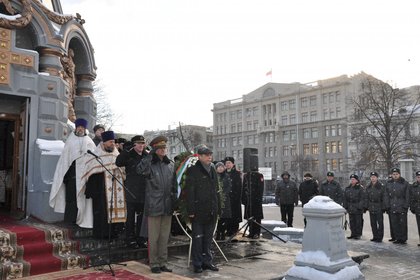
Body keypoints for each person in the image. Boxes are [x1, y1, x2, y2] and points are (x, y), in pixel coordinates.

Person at [136, 135, 176, 274]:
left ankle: (162, 262)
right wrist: (148, 156)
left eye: (164, 147)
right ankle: (154, 263)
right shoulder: (149, 164)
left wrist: (174, 202)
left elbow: (174, 186)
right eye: (160, 148)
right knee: (154, 237)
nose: (163, 150)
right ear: (154, 150)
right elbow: (140, 170)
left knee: (164, 237)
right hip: (154, 205)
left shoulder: (170, 164)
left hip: (167, 206)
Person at [49, 118, 96, 226]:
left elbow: (92, 158)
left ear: (85, 129)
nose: (80, 129)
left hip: (84, 176)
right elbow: (65, 159)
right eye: (78, 127)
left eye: (82, 127)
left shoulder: (89, 141)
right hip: (71, 175)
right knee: (71, 198)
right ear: (76, 128)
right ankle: (70, 220)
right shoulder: (70, 140)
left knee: (82, 198)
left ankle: (81, 220)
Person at [81, 131, 126, 238]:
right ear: (104, 142)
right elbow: (89, 172)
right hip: (100, 191)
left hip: (116, 190)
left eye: (113, 142)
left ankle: (114, 234)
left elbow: (124, 172)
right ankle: (101, 235)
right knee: (101, 213)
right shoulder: (95, 155)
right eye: (110, 142)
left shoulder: (117, 155)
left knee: (115, 211)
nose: (113, 144)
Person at [185, 146, 219, 273]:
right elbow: (190, 192)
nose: (209, 156)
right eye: (206, 154)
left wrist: (217, 208)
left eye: (210, 154)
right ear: (199, 156)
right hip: (198, 210)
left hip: (211, 210)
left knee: (208, 239)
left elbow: (216, 191)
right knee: (198, 239)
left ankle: (207, 262)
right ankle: (197, 263)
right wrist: (191, 211)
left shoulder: (212, 170)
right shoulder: (193, 170)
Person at [116, 135, 148, 248]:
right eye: (139, 143)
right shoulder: (129, 155)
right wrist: (126, 150)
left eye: (142, 143)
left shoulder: (146, 155)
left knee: (141, 217)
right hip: (131, 190)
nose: (141, 145)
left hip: (143, 190)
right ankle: (130, 239)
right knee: (130, 217)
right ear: (134, 145)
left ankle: (140, 238)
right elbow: (118, 162)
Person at [385, 167, 410, 244]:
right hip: (392, 206)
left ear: (399, 174)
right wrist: (387, 205)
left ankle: (403, 238)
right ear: (391, 175)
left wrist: (406, 205)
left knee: (402, 223)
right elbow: (386, 195)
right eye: (393, 174)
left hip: (401, 206)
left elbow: (407, 195)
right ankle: (397, 238)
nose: (395, 175)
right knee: (394, 223)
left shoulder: (405, 183)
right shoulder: (388, 183)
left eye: (396, 174)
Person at [364, 172, 388, 242]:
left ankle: (380, 237)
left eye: (374, 177)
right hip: (371, 207)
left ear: (377, 178)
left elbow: (384, 197)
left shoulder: (381, 186)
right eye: (371, 177)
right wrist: (366, 207)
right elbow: (366, 197)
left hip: (379, 206)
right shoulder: (368, 186)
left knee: (380, 223)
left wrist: (384, 207)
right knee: (373, 223)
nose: (373, 178)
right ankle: (375, 236)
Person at [242, 169, 264, 238]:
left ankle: (256, 233)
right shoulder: (246, 176)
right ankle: (251, 232)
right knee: (249, 217)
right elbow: (243, 188)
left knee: (257, 218)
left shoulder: (259, 175)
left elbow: (260, 189)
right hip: (248, 201)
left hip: (256, 201)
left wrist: (258, 199)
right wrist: (243, 199)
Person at [224, 156, 242, 236]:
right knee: (227, 215)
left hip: (234, 198)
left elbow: (239, 187)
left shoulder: (237, 173)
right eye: (226, 163)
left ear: (233, 164)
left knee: (234, 215)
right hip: (226, 198)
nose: (227, 165)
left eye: (229, 163)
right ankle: (228, 230)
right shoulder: (223, 173)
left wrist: (236, 197)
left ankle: (234, 230)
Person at [343, 174, 365, 240]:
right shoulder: (348, 188)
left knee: (358, 222)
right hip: (350, 207)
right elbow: (345, 199)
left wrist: (359, 206)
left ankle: (358, 234)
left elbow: (363, 198)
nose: (352, 181)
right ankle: (353, 234)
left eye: (353, 179)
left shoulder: (360, 188)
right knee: (352, 222)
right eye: (351, 179)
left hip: (357, 208)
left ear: (357, 180)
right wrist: (345, 207)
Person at [215, 162, 232, 241]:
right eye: (218, 167)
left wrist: (223, 193)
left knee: (224, 218)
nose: (220, 168)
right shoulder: (214, 176)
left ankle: (223, 233)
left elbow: (229, 187)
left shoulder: (226, 176)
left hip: (225, 200)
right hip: (216, 200)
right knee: (217, 218)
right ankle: (218, 233)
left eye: (222, 167)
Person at [410, 171, 420, 246]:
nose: (419, 178)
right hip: (417, 208)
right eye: (418, 177)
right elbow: (412, 198)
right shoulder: (414, 186)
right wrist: (412, 207)